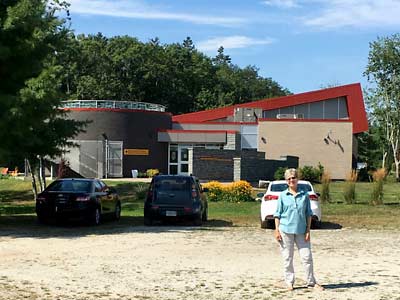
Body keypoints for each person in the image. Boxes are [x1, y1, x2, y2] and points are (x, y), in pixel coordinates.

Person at [273, 168, 324, 291]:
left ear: (297, 179)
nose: (292, 180)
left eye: (293, 177)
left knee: (307, 257)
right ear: (286, 181)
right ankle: (289, 282)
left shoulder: (304, 195)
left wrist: (308, 230)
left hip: (301, 231)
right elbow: (277, 214)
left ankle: (311, 282)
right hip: (285, 230)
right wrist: (277, 230)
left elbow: (308, 214)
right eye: (289, 178)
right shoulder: (283, 196)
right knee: (287, 257)